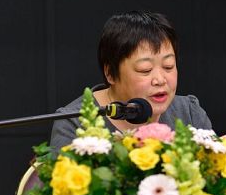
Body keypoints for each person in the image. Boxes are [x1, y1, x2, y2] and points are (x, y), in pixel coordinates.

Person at [50, 11, 212, 151]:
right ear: (110, 74)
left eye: (168, 66)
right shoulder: (74, 123)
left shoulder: (189, 113)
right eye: (145, 70)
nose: (160, 80)